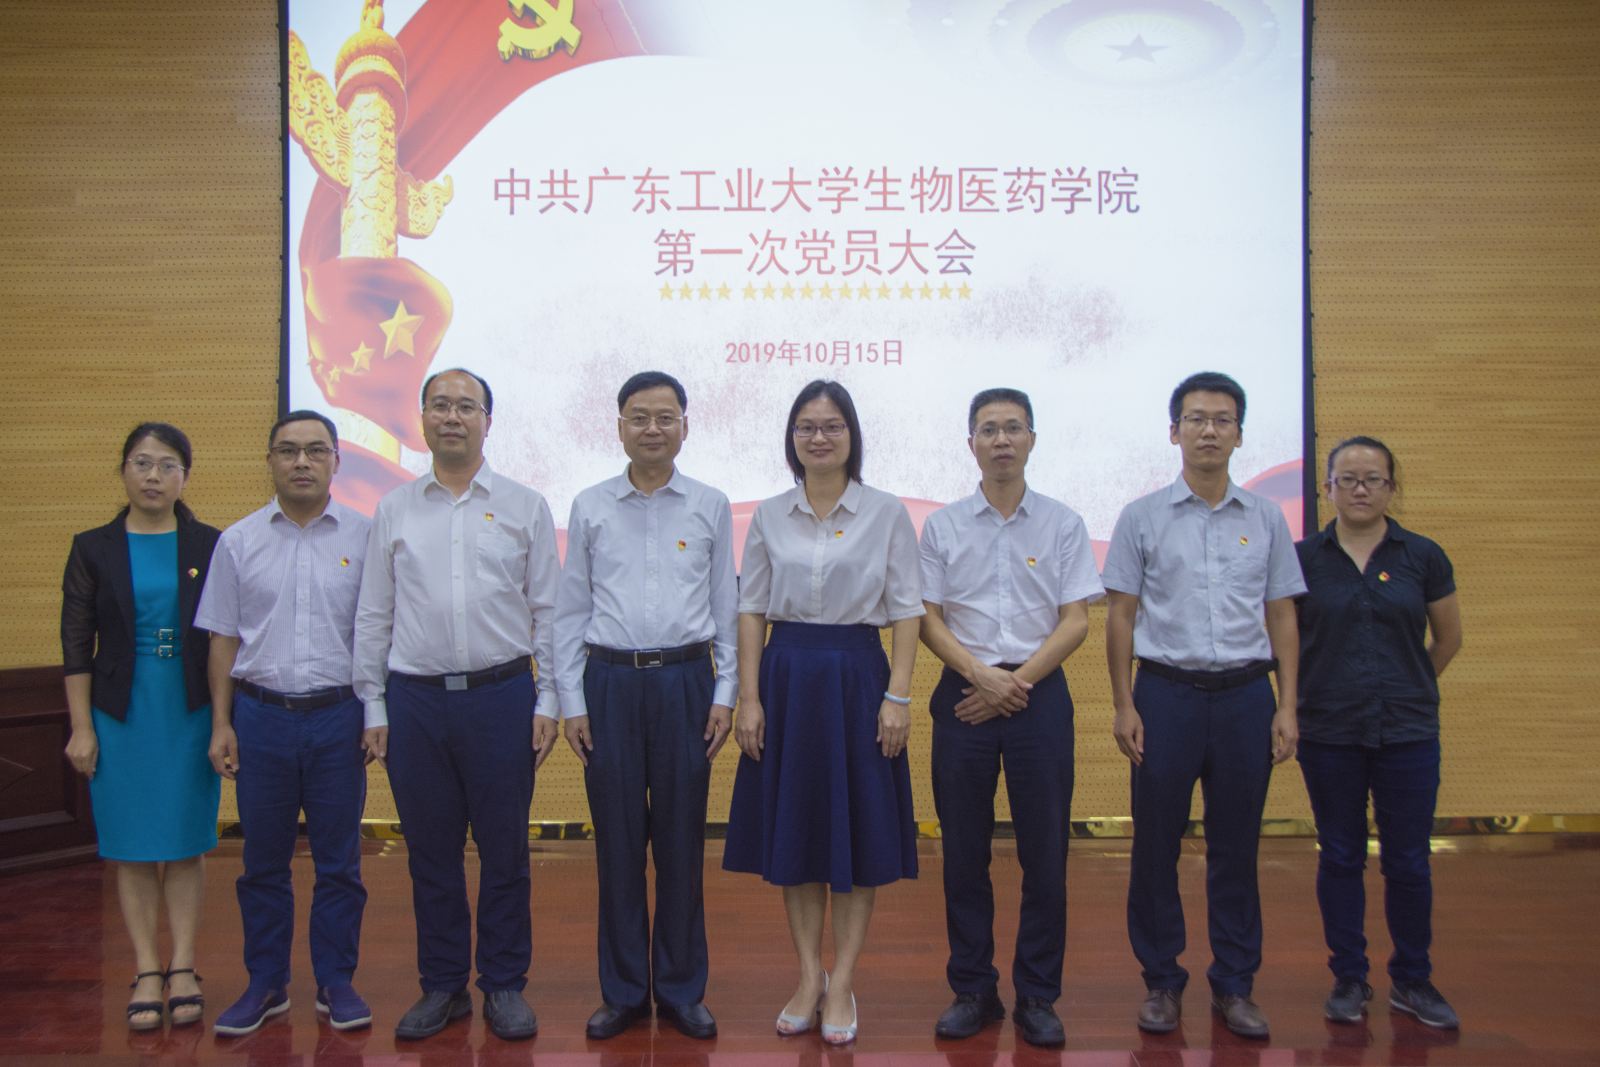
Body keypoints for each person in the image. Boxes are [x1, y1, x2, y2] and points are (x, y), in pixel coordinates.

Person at [353, 369, 561, 1041]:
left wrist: (550, 697)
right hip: (415, 703)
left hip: (503, 697)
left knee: (505, 851)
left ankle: (503, 982)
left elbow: (548, 611)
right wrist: (372, 704)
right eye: (440, 404)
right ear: (422, 417)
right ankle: (443, 984)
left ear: (487, 421)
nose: (452, 416)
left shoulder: (525, 505)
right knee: (431, 854)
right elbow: (374, 612)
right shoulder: (394, 508)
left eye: (466, 406)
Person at [1101, 371, 1305, 1039]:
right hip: (1165, 696)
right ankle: (1162, 980)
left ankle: (1235, 983)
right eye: (1196, 419)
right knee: (1155, 845)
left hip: (1247, 698)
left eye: (1222, 420)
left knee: (1235, 848)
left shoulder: (1267, 517)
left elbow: (1282, 614)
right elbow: (1120, 616)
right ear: (1174, 432)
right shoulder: (1141, 517)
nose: (1209, 430)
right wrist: (1124, 703)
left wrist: (1287, 705)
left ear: (1240, 434)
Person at [723, 378, 923, 1047]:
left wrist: (898, 696)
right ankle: (810, 975)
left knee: (857, 835)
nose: (819, 436)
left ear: (852, 435)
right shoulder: (769, 514)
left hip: (858, 678)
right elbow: (751, 609)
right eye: (806, 426)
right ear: (792, 437)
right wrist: (750, 697)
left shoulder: (886, 512)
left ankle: (844, 982)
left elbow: (906, 609)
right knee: (800, 832)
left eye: (832, 425)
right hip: (787, 679)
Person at [917, 388, 1104, 1048]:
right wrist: (981, 675)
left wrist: (1015, 682)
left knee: (1045, 855)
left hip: (1037, 696)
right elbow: (927, 618)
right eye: (989, 429)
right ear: (970, 443)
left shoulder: (1062, 523)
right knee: (963, 854)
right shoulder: (942, 526)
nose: (1001, 439)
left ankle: (1038, 995)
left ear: (1031, 439)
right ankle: (973, 989)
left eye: (1013, 428)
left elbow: (1076, 619)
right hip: (964, 694)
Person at [554, 371, 737, 1040]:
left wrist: (725, 693)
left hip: (687, 683)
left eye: (665, 416)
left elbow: (725, 606)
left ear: (685, 425)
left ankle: (683, 989)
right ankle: (626, 991)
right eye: (639, 417)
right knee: (618, 845)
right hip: (610, 685)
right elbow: (571, 609)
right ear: (620, 427)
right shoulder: (590, 505)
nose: (652, 428)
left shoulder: (710, 504)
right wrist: (572, 700)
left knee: (683, 845)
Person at [197, 410, 373, 1036]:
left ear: (336, 462)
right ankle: (266, 983)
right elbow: (222, 638)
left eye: (316, 450)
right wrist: (222, 723)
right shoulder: (238, 541)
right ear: (270, 461)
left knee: (339, 864)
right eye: (288, 450)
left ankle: (336, 981)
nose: (302, 462)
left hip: (339, 718)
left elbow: (378, 633)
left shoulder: (366, 537)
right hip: (261, 718)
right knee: (263, 864)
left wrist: (375, 714)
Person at [1295, 436, 1463, 1029]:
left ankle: (1413, 979)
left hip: (1408, 731)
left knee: (1409, 861)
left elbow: (1448, 639)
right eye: (1348, 479)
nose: (1361, 489)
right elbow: (1283, 639)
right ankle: (1349, 977)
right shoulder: (1303, 559)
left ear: (1392, 487)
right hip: (1328, 730)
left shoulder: (1423, 556)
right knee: (1340, 855)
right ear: (1327, 488)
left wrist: (1406, 683)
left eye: (1373, 479)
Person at [61, 422, 222, 1031]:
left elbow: (226, 638)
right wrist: (82, 728)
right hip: (119, 714)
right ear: (124, 470)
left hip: (189, 709)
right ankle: (147, 969)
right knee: (130, 847)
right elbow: (76, 644)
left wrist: (223, 721)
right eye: (142, 463)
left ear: (186, 476)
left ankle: (183, 966)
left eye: (167, 465)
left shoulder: (209, 544)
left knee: (183, 842)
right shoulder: (92, 547)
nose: (154, 476)